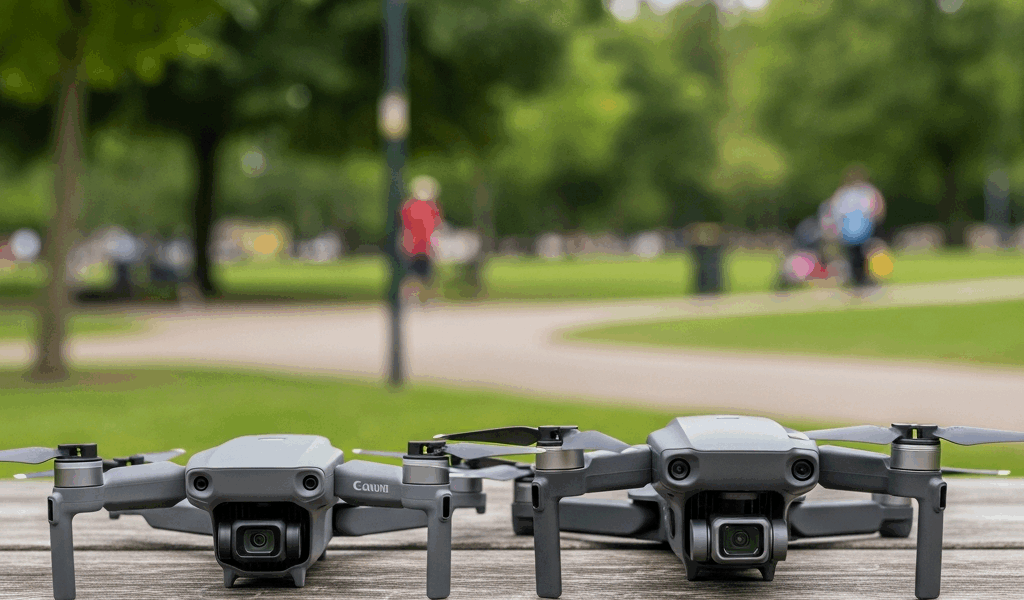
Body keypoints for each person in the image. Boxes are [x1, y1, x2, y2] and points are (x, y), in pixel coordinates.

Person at [825, 166, 886, 289]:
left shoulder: (865, 192)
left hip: (862, 226)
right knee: (854, 254)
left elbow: (877, 207)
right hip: (850, 228)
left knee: (863, 253)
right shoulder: (845, 193)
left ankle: (863, 277)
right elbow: (835, 210)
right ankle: (858, 278)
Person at [400, 175, 443, 302]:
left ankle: (413, 297)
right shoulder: (431, 206)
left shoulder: (408, 205)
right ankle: (423, 298)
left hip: (414, 244)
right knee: (422, 274)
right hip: (421, 245)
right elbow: (436, 226)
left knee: (413, 274)